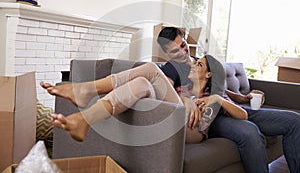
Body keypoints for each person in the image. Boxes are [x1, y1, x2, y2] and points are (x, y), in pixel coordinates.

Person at [157, 27, 300, 173]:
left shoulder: (197, 61)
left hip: (229, 107)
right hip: (214, 118)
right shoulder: (170, 69)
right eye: (175, 51)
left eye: (183, 45)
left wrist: (244, 97)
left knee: (294, 121)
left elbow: (218, 89)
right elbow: (163, 93)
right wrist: (185, 101)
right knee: (250, 132)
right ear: (167, 53)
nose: (182, 52)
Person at [41, 53, 247, 143]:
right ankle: (84, 120)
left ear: (209, 75)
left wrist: (218, 100)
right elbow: (172, 98)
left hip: (193, 132)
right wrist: (186, 100)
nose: (193, 65)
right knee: (141, 84)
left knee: (149, 68)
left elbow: (243, 115)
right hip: (175, 116)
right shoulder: (183, 88)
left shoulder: (212, 96)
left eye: (199, 64)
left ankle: (85, 91)